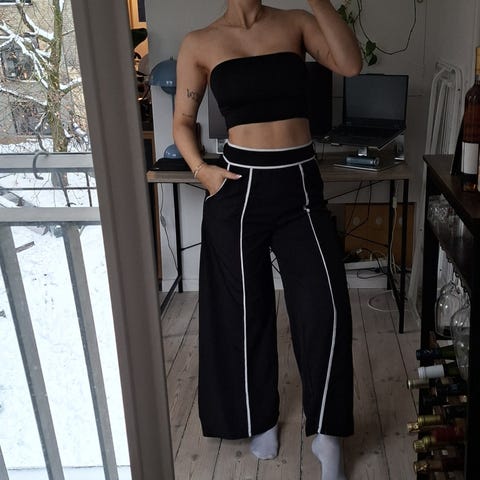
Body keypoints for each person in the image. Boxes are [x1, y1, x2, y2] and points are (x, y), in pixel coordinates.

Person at [173, 1, 362, 478]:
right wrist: (201, 171)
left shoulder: (297, 22)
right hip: (239, 185)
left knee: (325, 305)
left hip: (299, 184)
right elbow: (182, 122)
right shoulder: (199, 42)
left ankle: (327, 432)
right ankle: (258, 418)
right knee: (244, 310)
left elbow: (350, 64)